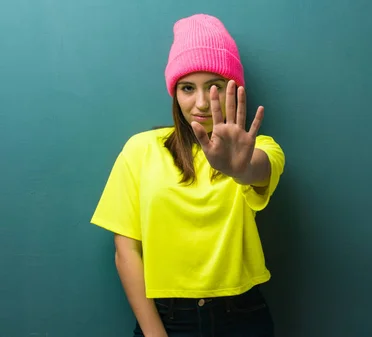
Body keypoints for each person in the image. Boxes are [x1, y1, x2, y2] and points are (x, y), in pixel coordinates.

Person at [90, 13, 285, 337]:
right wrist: (155, 333)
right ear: (174, 93)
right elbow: (125, 250)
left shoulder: (259, 147)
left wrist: (241, 168)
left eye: (214, 87)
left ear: (233, 89)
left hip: (241, 316)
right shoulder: (142, 149)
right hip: (167, 318)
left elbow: (259, 170)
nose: (201, 103)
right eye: (187, 87)